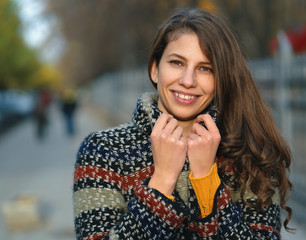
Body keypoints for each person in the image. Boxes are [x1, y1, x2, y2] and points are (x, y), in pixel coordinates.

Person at [73, 8, 293, 240]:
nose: (188, 81)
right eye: (177, 63)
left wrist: (206, 182)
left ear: (221, 80)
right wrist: (162, 182)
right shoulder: (103, 150)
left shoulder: (251, 152)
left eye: (205, 68)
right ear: (155, 69)